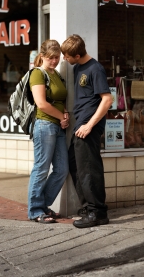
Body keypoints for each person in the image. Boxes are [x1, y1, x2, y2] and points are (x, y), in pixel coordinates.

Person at [61, 34, 113, 228]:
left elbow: (107, 100)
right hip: (80, 125)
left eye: (67, 56)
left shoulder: (95, 68)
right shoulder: (78, 68)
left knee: (89, 169)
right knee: (75, 164)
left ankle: (97, 213)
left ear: (77, 55)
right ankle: (87, 208)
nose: (65, 59)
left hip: (88, 126)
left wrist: (90, 125)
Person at [28, 39, 70, 223]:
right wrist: (61, 117)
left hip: (58, 126)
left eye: (57, 57)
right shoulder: (38, 74)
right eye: (51, 57)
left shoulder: (57, 75)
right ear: (43, 56)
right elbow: (42, 104)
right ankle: (36, 211)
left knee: (62, 169)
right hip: (45, 125)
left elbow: (60, 100)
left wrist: (65, 114)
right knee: (41, 168)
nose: (54, 61)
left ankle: (43, 205)